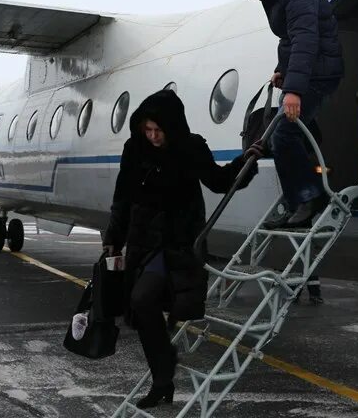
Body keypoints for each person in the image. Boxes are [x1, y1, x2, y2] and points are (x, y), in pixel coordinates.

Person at [103, 90, 261, 409]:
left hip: (175, 244)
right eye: (147, 130)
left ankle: (163, 374)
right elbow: (122, 197)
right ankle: (162, 381)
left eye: (158, 131)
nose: (152, 136)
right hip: (142, 242)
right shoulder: (135, 149)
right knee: (141, 309)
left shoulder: (190, 148)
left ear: (172, 126)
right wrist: (112, 238)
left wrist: (246, 161)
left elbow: (218, 181)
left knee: (143, 299)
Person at [233, 0, 343, 229]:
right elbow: (289, 39)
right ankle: (297, 201)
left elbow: (306, 40)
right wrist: (282, 70)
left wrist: (293, 90)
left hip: (320, 72)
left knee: (283, 135)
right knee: (285, 134)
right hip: (308, 71)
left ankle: (308, 199)